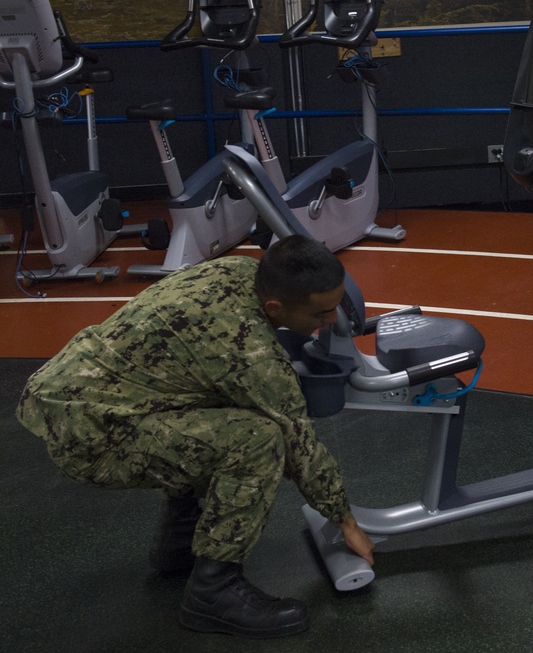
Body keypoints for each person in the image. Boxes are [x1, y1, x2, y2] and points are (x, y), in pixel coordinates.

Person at [17, 235, 375, 638]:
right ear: (275, 307)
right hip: (92, 436)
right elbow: (300, 445)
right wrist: (345, 520)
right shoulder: (248, 351)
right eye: (322, 313)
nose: (331, 321)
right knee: (257, 439)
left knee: (216, 411)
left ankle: (180, 542)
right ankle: (213, 591)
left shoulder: (239, 271)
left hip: (77, 399)